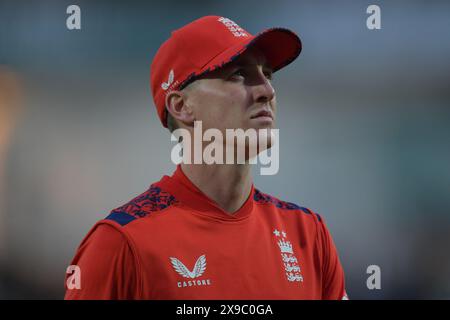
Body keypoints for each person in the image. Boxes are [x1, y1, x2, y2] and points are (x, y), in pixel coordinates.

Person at [64, 15, 348, 300]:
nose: (267, 91)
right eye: (238, 74)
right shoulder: (121, 243)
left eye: (268, 73)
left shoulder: (309, 236)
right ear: (182, 106)